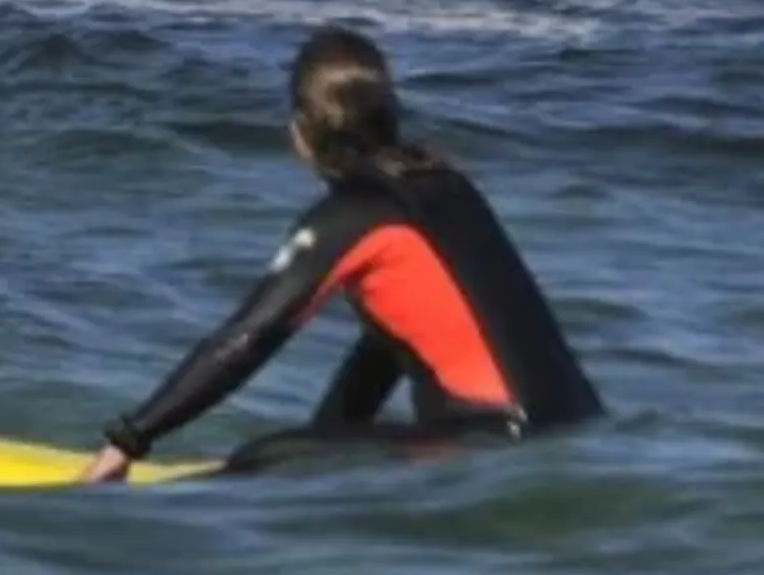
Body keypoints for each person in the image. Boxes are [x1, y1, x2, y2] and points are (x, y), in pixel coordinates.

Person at [82, 26, 602, 480]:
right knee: (302, 453)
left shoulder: (351, 217)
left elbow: (244, 340)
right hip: (578, 441)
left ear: (301, 130)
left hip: (492, 451)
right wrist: (326, 446)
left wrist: (130, 439)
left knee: (268, 457)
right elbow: (388, 349)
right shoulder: (447, 187)